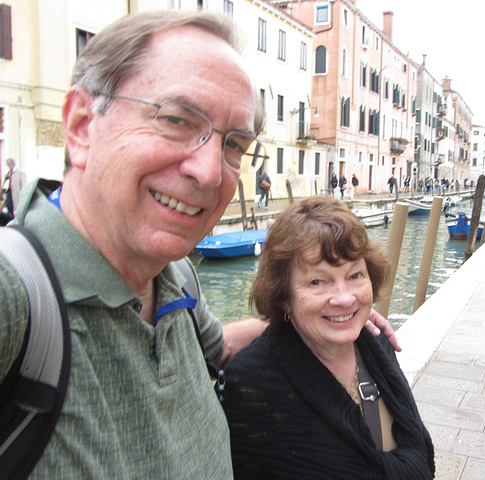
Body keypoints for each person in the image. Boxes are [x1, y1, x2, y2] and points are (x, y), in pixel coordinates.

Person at [0, 11, 398, 478]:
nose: (210, 172)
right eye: (176, 119)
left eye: (233, 145)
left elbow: (219, 349)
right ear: (83, 125)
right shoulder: (15, 295)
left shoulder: (175, 278)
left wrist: (321, 312)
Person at [223, 196, 436, 479]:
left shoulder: (378, 346)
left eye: (355, 275)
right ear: (284, 296)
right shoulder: (253, 382)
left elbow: (418, 445)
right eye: (317, 281)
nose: (345, 298)